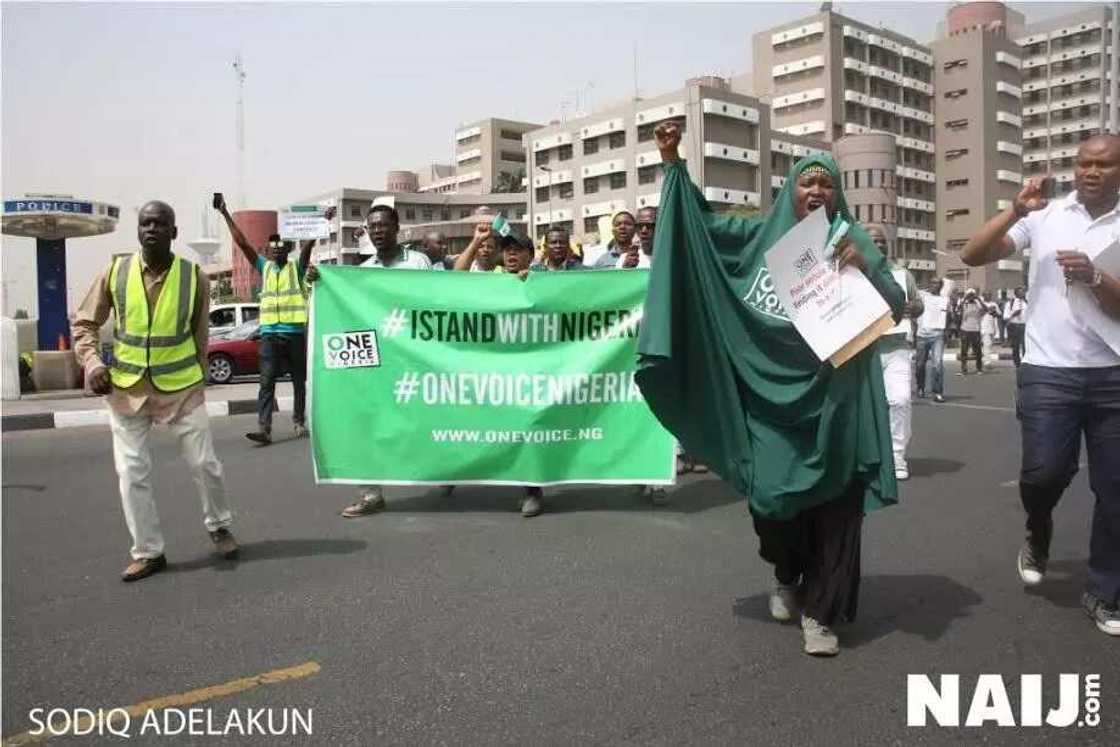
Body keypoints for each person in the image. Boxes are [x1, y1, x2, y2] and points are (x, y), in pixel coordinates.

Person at [637, 121, 905, 656]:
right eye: (807, 183)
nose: (817, 192)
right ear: (790, 192)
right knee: (773, 504)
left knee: (837, 509)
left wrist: (869, 272)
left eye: (827, 184)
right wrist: (673, 163)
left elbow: (896, 304)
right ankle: (786, 572)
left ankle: (822, 615)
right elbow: (698, 229)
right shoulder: (758, 237)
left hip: (837, 399)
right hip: (767, 404)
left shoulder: (851, 239)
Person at [961, 134, 1120, 636]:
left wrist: (1096, 277)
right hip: (1049, 371)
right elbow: (973, 254)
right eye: (1083, 163)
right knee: (1042, 473)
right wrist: (1013, 212)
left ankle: (1105, 590)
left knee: (1116, 491)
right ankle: (1038, 526)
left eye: (1103, 164)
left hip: (1113, 372)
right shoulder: (1045, 215)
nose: (1090, 171)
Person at [72, 201, 237, 582]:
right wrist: (94, 364)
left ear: (174, 233)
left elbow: (200, 335)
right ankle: (148, 551)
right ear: (138, 230)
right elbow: (84, 324)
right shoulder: (116, 273)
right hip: (128, 389)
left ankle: (219, 526)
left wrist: (199, 376)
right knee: (131, 472)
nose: (151, 229)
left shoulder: (194, 277)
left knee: (204, 463)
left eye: (160, 224)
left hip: (181, 387)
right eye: (145, 223)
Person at [307, 202, 429, 518]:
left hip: (415, 358)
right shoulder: (362, 271)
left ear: (397, 227)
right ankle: (370, 494)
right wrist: (322, 282)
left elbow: (436, 303)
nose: (377, 231)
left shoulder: (418, 263)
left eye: (383, 225)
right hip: (379, 364)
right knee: (369, 422)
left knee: (428, 419)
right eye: (372, 226)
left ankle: (450, 472)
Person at [216, 196, 325, 444]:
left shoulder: (296, 268)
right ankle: (264, 428)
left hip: (295, 333)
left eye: (281, 244)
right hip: (269, 336)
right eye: (272, 244)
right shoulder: (263, 266)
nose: (276, 247)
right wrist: (225, 214)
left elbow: (307, 248)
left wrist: (319, 225)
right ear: (267, 250)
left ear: (287, 248)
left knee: (299, 380)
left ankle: (299, 421)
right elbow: (242, 242)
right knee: (266, 382)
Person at [866, 225, 923, 481]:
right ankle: (869, 455)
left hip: (897, 347)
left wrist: (913, 307)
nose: (879, 245)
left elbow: (919, 303)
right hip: (863, 352)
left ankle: (897, 455)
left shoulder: (902, 275)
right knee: (867, 408)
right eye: (873, 241)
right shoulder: (851, 272)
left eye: (882, 242)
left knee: (899, 401)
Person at [914, 278, 948, 403]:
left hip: (938, 334)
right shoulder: (922, 295)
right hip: (922, 335)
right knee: (920, 364)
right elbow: (911, 288)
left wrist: (947, 332)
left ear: (941, 286)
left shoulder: (944, 299)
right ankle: (920, 387)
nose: (934, 285)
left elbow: (947, 315)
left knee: (937, 364)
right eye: (932, 282)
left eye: (937, 283)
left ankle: (937, 392)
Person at [957, 288, 986, 375]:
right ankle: (964, 369)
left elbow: (986, 309)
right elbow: (958, 308)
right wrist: (965, 298)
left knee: (978, 350)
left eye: (972, 295)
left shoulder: (978, 304)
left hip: (976, 330)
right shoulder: (964, 304)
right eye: (970, 295)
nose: (971, 297)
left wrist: (979, 299)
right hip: (965, 329)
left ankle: (979, 368)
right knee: (964, 350)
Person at [1005, 286, 1027, 367]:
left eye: (1023, 291)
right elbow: (1006, 316)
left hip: (1024, 325)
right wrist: (1014, 314)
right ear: (1016, 293)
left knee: (1025, 345)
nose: (1022, 293)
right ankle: (1017, 362)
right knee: (1016, 345)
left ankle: (1025, 361)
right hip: (1015, 325)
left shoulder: (1026, 302)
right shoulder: (1011, 303)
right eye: (1020, 292)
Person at [980, 291, 999, 363]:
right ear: (983, 296)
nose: (988, 296)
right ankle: (987, 360)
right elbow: (979, 315)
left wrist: (994, 312)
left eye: (989, 295)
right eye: (986, 295)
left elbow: (999, 315)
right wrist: (987, 310)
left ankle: (985, 356)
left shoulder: (994, 304)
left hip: (992, 327)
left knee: (990, 343)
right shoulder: (981, 304)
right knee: (987, 343)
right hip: (983, 326)